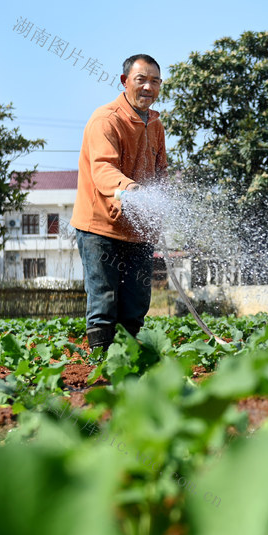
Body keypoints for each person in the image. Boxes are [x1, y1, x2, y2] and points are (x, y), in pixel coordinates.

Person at [71, 54, 167, 354]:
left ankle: (127, 358)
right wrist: (130, 191)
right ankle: (102, 364)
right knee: (104, 298)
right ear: (124, 81)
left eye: (155, 81)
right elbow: (102, 169)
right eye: (141, 80)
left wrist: (158, 205)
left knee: (136, 301)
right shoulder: (106, 119)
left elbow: (160, 172)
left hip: (138, 228)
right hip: (101, 226)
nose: (148, 87)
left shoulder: (155, 124)